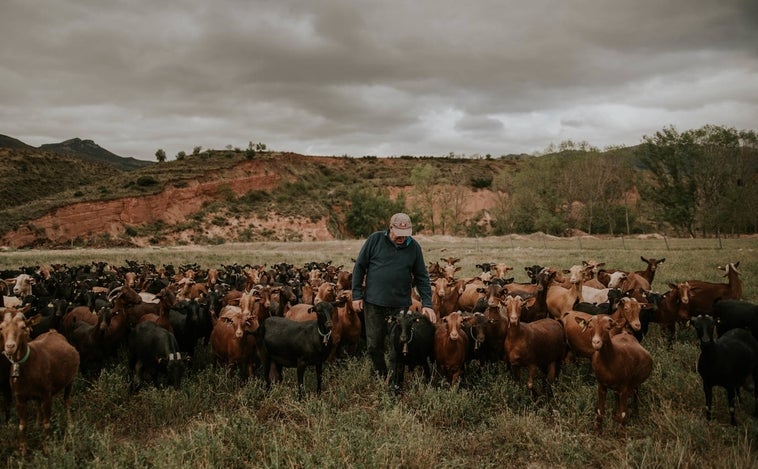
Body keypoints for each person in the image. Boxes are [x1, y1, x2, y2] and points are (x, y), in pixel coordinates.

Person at [351, 212, 437, 380]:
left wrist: (427, 303)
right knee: (373, 345)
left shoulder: (414, 248)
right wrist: (356, 295)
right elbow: (359, 267)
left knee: (398, 345)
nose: (402, 238)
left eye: (406, 235)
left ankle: (394, 380)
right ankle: (381, 375)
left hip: (399, 306)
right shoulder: (375, 240)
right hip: (374, 303)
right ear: (390, 228)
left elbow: (421, 277)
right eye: (399, 234)